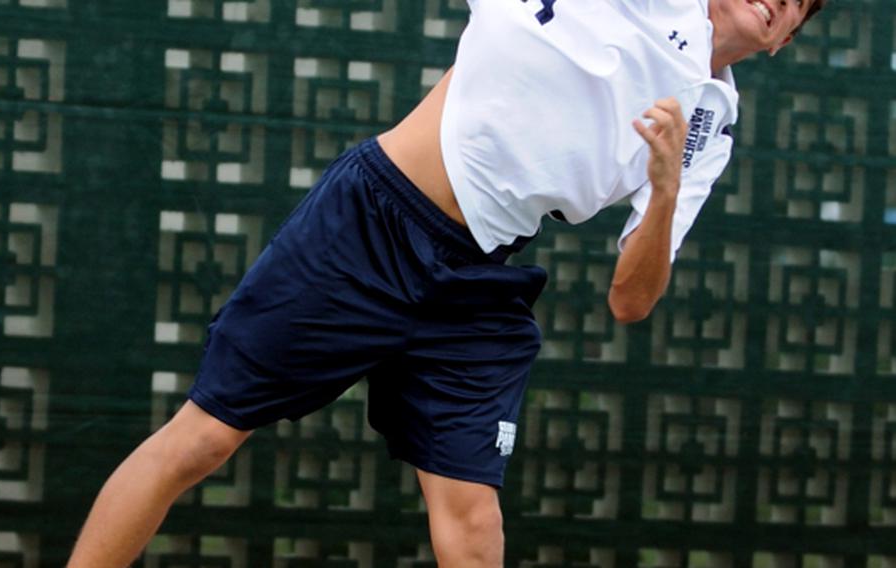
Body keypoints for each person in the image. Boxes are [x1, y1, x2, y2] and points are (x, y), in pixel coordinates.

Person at [67, 0, 826, 566]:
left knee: (473, 526)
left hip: (476, 282)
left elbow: (632, 299)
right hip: (370, 223)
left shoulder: (710, 121)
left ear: (785, 39)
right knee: (201, 441)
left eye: (799, 4)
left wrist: (663, 190)